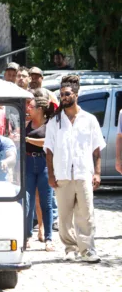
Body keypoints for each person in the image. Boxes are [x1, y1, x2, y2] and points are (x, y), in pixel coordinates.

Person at [44, 75, 105, 263]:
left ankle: (87, 250)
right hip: (62, 175)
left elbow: (96, 149)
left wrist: (97, 172)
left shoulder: (90, 120)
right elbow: (49, 151)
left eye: (67, 94)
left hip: (83, 173)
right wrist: (51, 175)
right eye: (61, 94)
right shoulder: (54, 122)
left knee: (86, 213)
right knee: (64, 215)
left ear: (76, 95)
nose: (64, 97)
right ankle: (70, 248)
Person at [25, 89, 55, 252]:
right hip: (29, 162)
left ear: (40, 109)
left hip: (44, 163)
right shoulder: (26, 124)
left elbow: (47, 142)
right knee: (28, 202)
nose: (29, 109)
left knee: (46, 203)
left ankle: (49, 238)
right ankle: (27, 236)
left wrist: (28, 139)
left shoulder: (50, 124)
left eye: (32, 106)